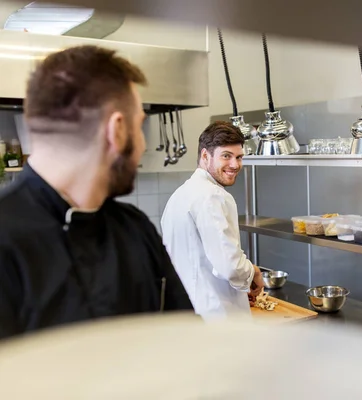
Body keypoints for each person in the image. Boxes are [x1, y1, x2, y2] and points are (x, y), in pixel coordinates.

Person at [0, 45, 193, 340]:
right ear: (116, 131)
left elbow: (187, 342)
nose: (141, 144)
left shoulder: (135, 229)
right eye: (139, 126)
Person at [161, 121, 264, 320]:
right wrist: (254, 272)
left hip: (188, 312)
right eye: (226, 156)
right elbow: (230, 265)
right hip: (218, 315)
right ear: (205, 156)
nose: (235, 165)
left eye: (239, 157)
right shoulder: (213, 196)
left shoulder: (180, 194)